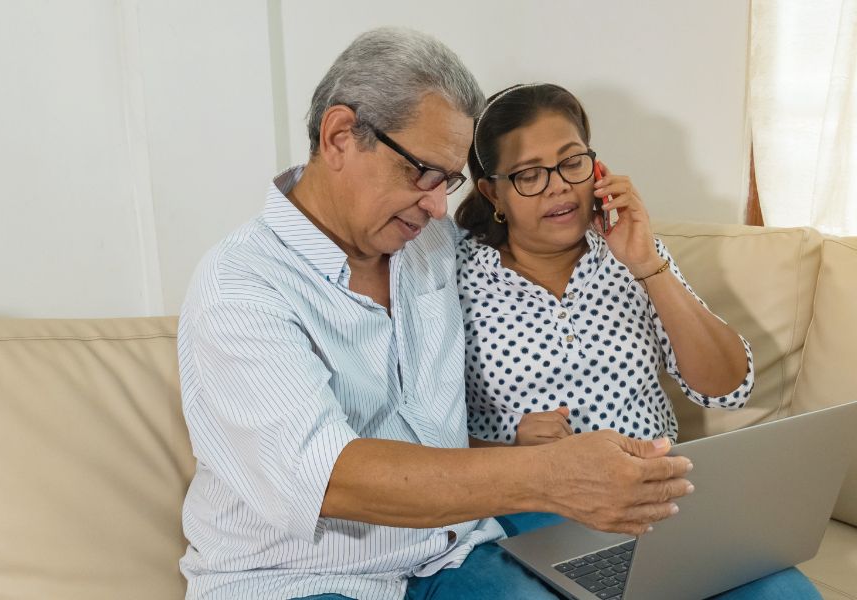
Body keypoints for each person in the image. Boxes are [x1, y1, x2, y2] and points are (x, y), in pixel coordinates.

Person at [176, 29, 695, 600]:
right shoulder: (240, 285)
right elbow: (328, 479)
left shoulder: (429, 244)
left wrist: (618, 242)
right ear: (340, 136)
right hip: (295, 579)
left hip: (450, 555)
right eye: (422, 173)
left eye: (448, 181)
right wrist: (550, 476)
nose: (437, 206)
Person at [454, 82, 819, 598]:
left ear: (596, 169)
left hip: (656, 501)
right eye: (529, 175)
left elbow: (728, 389)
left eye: (571, 162)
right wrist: (511, 449)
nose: (558, 187)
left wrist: (647, 263)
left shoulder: (632, 254)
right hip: (533, 508)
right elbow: (412, 433)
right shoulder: (452, 274)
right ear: (493, 192)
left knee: (789, 595)